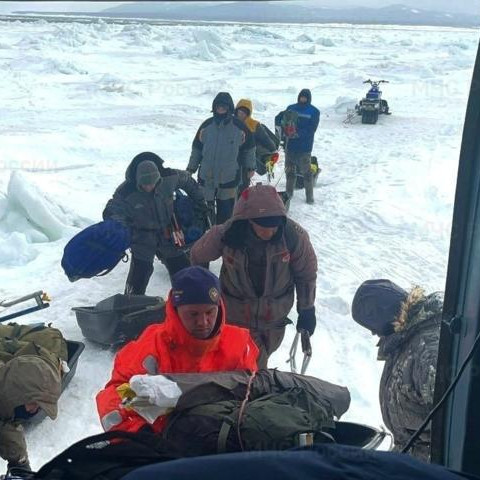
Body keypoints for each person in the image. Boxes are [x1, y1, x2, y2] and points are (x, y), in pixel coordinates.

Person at [96, 266, 259, 434]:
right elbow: (114, 396)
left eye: (210, 312)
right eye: (193, 314)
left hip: (222, 438)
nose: (203, 322)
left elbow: (253, 395)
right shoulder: (152, 346)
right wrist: (141, 434)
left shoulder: (239, 344)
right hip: (164, 442)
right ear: (175, 310)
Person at [190, 184, 317, 369]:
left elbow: (306, 273)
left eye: (274, 226)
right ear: (247, 220)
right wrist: (204, 291)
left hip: (274, 320)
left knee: (255, 363)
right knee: (248, 367)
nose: (270, 231)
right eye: (263, 226)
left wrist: (307, 309)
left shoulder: (293, 236)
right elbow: (197, 255)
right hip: (235, 317)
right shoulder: (228, 234)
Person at [351, 279, 443, 461]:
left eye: (371, 326)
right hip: (412, 460)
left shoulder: (428, 352)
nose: (373, 333)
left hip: (434, 467)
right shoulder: (406, 338)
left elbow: (458, 425)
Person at [103, 151, 208, 295]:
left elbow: (189, 181)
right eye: (145, 185)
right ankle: (132, 305)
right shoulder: (126, 191)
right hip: (142, 238)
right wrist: (119, 226)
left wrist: (200, 202)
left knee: (183, 272)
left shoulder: (170, 177)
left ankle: (188, 302)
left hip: (168, 234)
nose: (149, 187)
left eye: (152, 184)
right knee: (139, 275)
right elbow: (112, 210)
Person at [186, 92, 256, 225]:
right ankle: (207, 238)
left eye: (224, 107)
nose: (221, 109)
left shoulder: (239, 127)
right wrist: (191, 168)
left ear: (229, 108)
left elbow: (249, 149)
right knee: (204, 213)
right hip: (207, 177)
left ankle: (222, 240)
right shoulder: (206, 126)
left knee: (226, 216)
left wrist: (250, 167)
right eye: (218, 107)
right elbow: (197, 149)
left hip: (229, 178)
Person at [0, 355, 61, 474]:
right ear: (17, 393)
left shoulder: (5, 392)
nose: (35, 410)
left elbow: (6, 427)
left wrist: (20, 462)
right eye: (34, 403)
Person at [277, 89, 320, 205]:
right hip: (290, 146)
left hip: (304, 148)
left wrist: (298, 133)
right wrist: (282, 132)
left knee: (307, 173)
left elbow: (312, 129)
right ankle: (288, 195)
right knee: (290, 172)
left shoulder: (314, 111)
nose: (303, 99)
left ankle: (309, 198)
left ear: (309, 98)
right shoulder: (291, 108)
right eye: (301, 97)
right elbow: (282, 119)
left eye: (305, 98)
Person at [234, 99, 279, 192]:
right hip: (232, 157)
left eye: (244, 113)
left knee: (244, 182)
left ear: (248, 113)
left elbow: (265, 138)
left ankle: (241, 202)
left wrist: (273, 149)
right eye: (240, 112)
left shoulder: (254, 125)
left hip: (247, 157)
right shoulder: (231, 122)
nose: (241, 114)